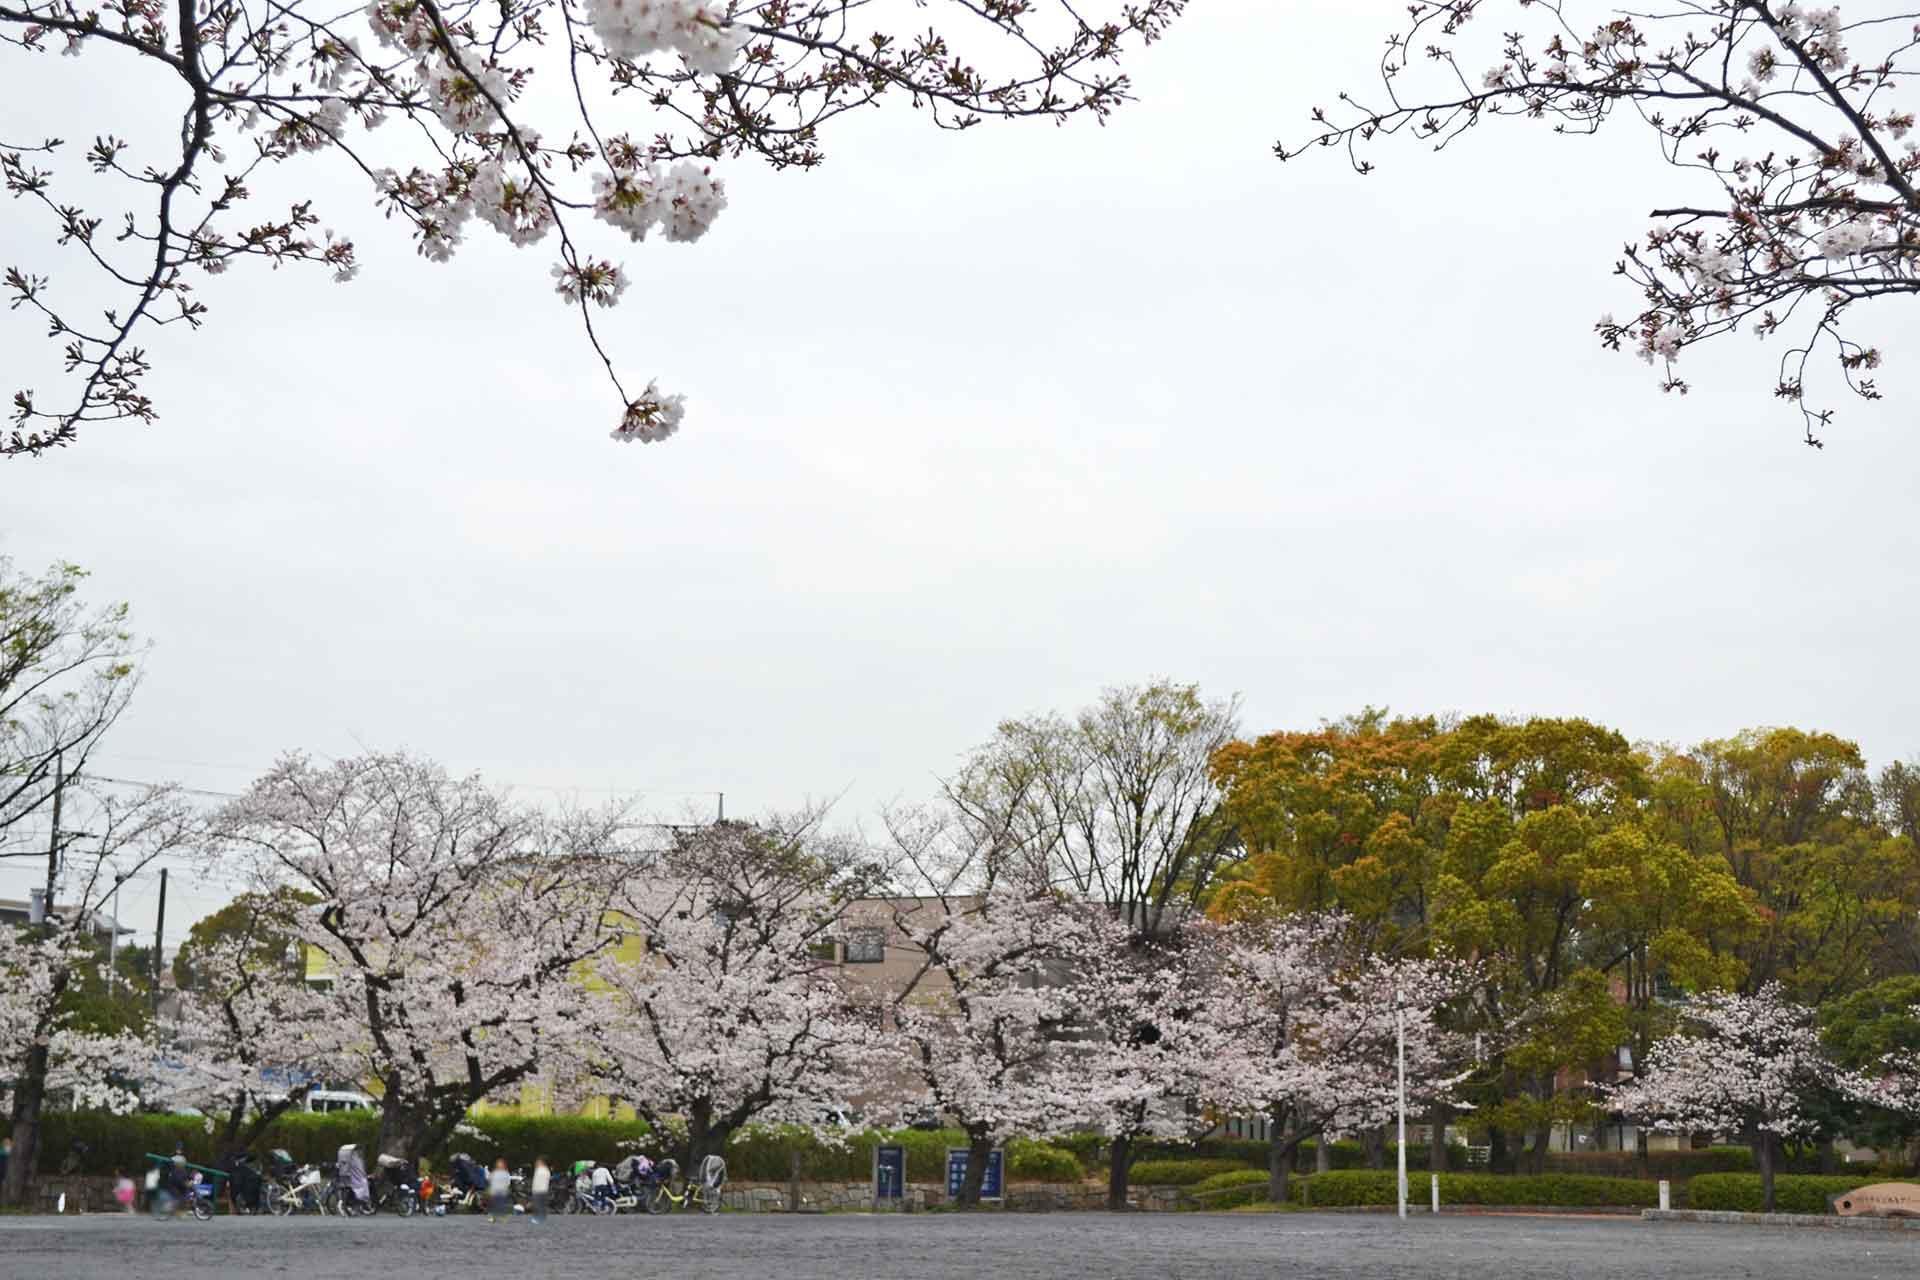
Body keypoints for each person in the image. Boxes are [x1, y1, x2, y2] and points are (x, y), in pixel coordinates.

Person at [487, 1157, 511, 1223]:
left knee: (501, 1204)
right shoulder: (494, 1172)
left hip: (502, 1191)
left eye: (501, 1164)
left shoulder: (506, 1173)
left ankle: (503, 1217)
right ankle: (492, 1217)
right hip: (494, 1191)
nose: (500, 1165)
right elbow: (491, 1180)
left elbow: (508, 1182)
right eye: (499, 1164)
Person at [528, 1156, 549, 1225]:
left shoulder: (542, 1170)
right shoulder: (542, 1170)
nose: (536, 1163)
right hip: (541, 1190)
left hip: (539, 1190)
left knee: (538, 1205)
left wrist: (535, 1189)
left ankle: (539, 1219)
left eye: (538, 1162)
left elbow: (539, 1181)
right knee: (540, 1205)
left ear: (542, 1162)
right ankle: (541, 1218)